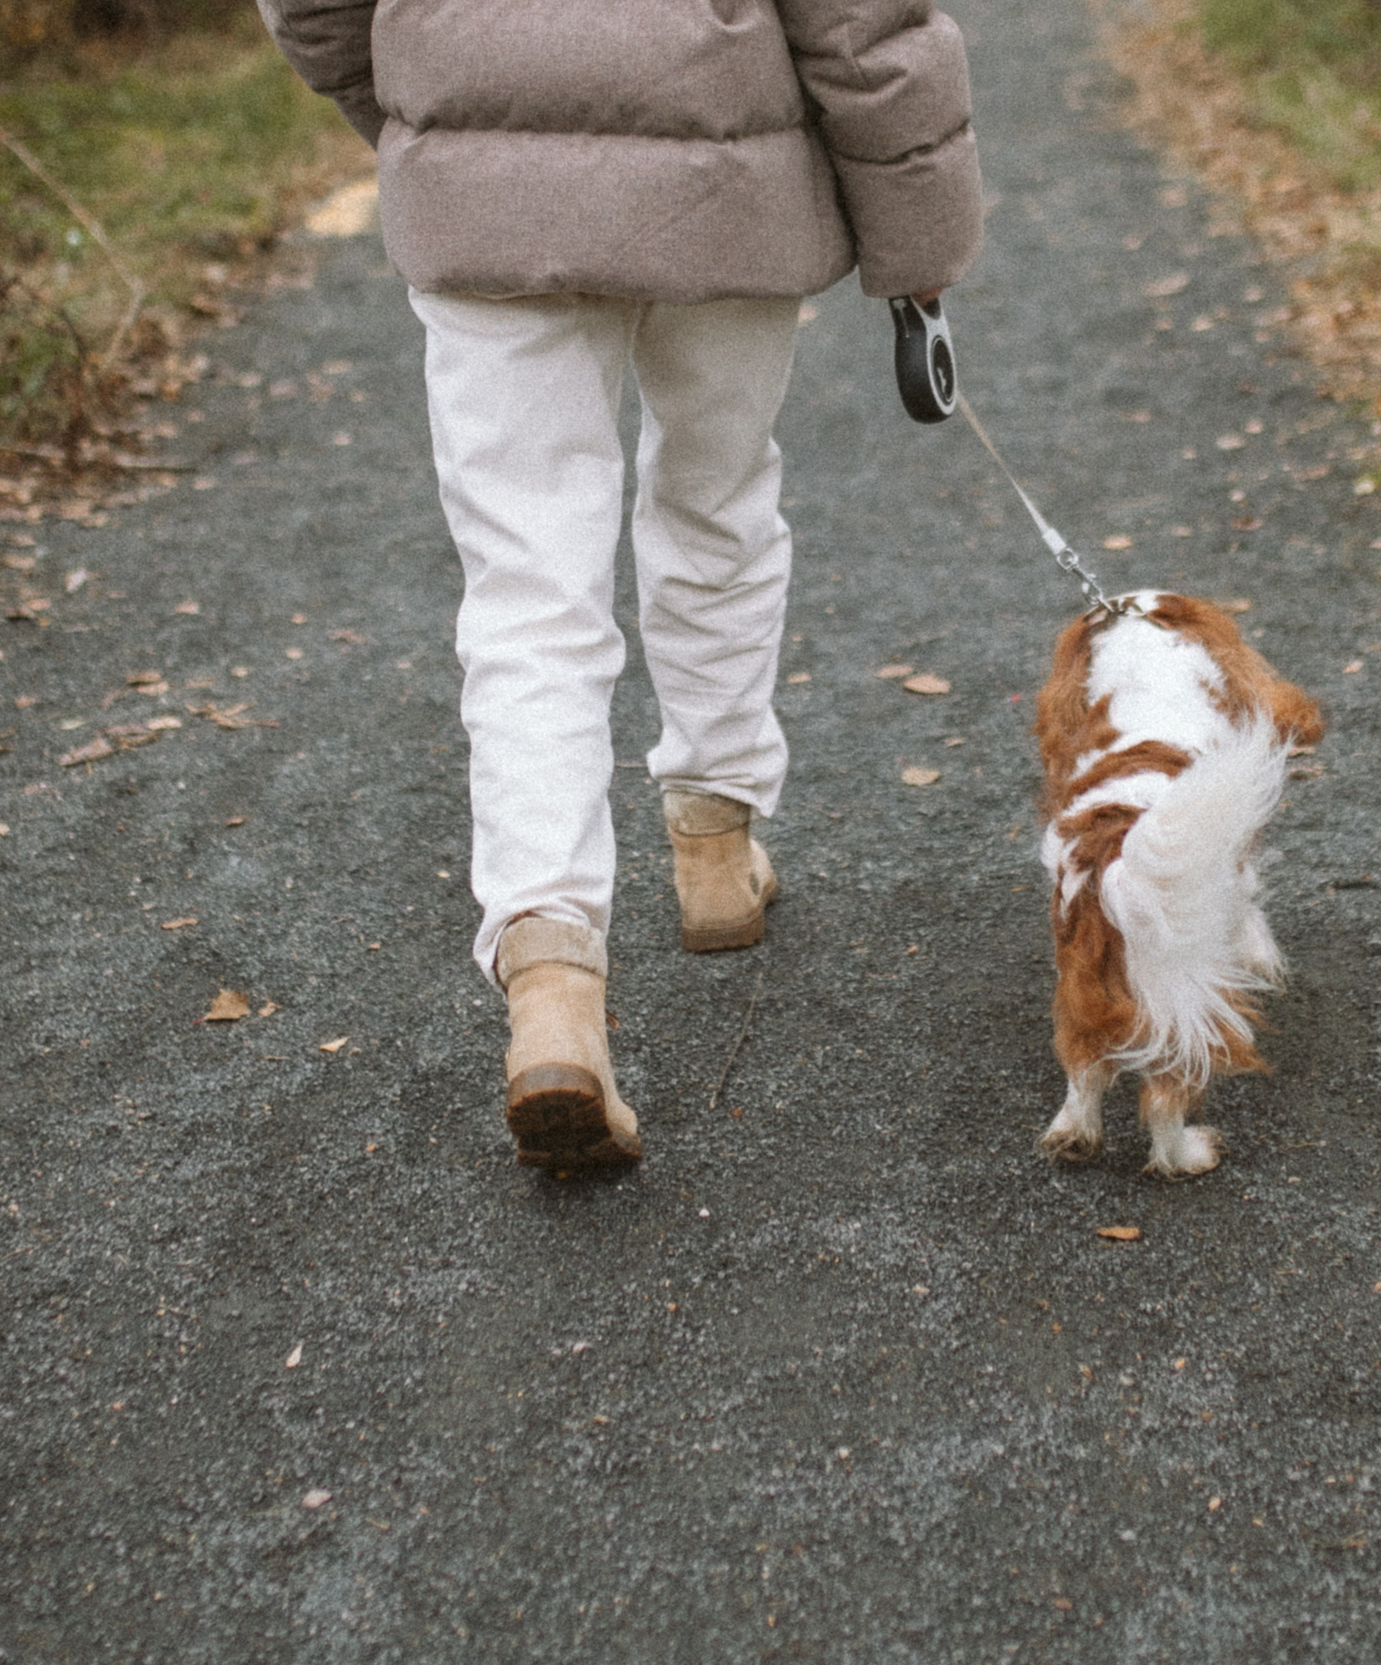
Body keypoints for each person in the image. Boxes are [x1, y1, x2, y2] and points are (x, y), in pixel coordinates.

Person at [257, 0, 983, 1170]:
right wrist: (918, 248)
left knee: (527, 590)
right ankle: (712, 837)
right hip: (725, 174)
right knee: (719, 500)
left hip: (485, 183)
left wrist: (425, 117)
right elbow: (865, 23)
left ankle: (550, 979)